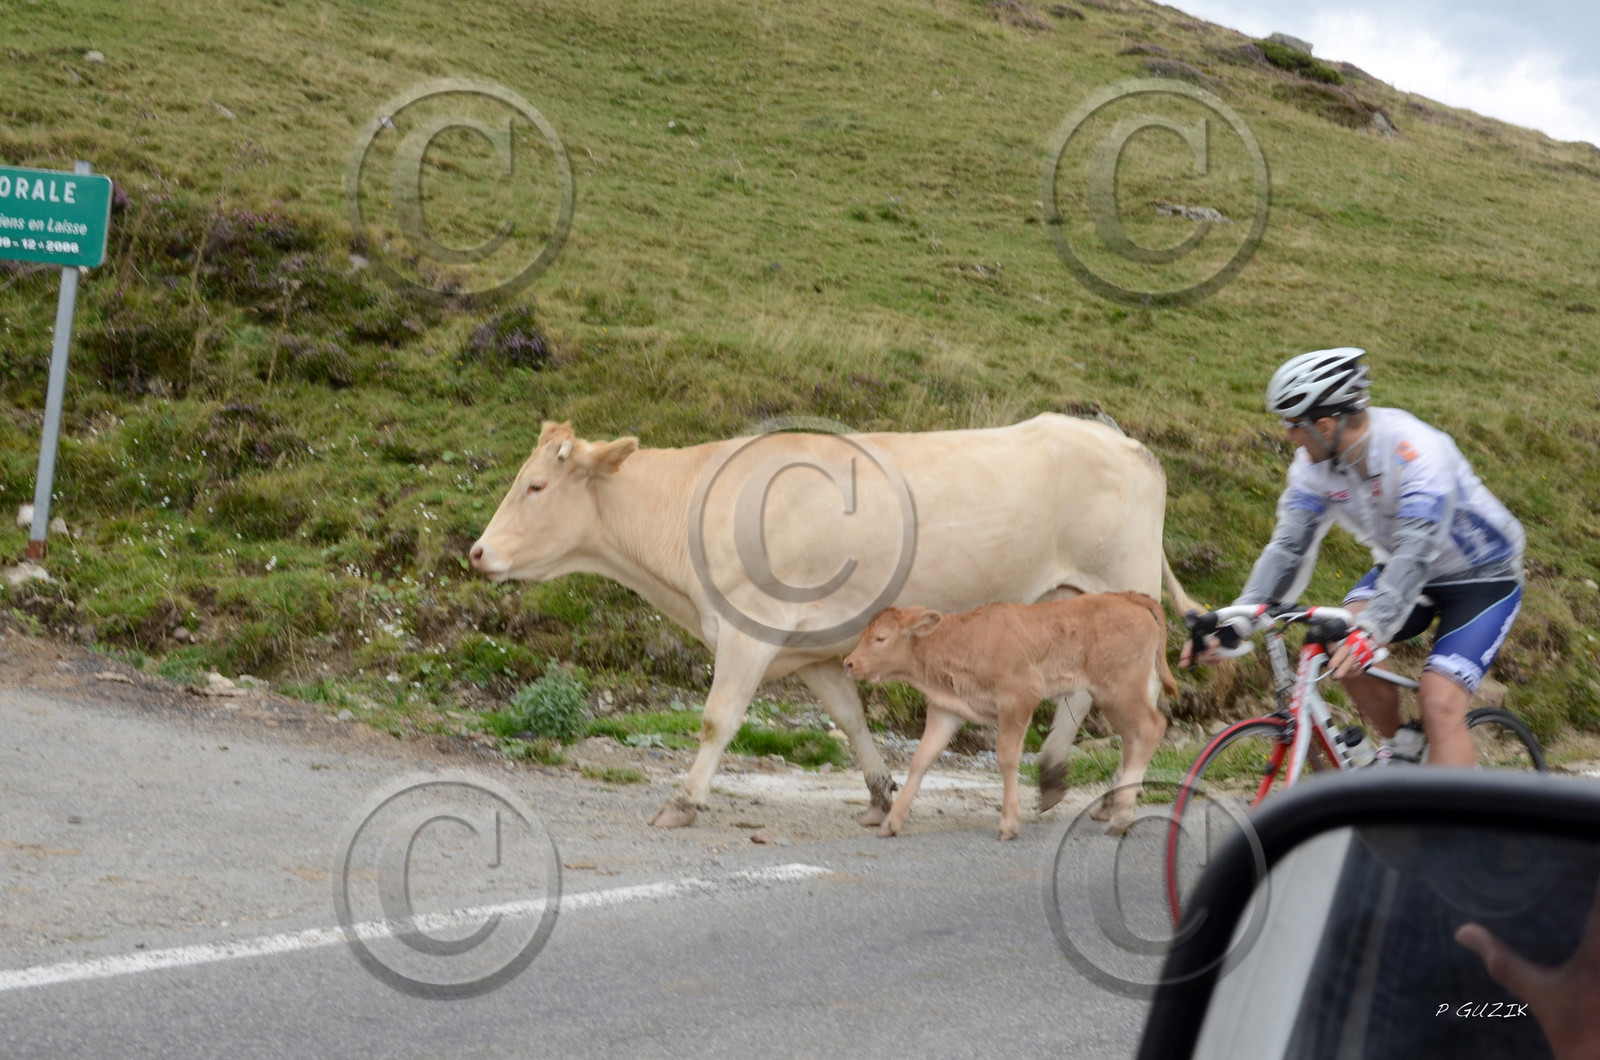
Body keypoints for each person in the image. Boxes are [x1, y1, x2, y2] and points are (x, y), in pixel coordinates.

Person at [1180, 348, 1526, 766]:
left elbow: (1415, 554)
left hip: (1482, 578)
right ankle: (1402, 746)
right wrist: (1236, 621)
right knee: (1337, 634)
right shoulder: (1313, 465)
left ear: (1325, 424)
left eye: (1293, 425)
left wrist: (1373, 630)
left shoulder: (1417, 451)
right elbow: (1289, 549)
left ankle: (1453, 829)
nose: (1288, 435)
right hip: (1405, 568)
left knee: (1439, 703)